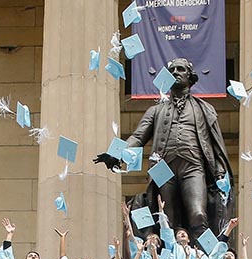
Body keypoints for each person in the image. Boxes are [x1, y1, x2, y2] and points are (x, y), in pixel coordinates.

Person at [98, 56, 235, 238]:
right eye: (172, 71)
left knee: (198, 214)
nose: (176, 73)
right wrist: (115, 154)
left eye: (180, 70)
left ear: (190, 77)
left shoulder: (205, 109)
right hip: (163, 167)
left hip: (193, 166)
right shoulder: (155, 110)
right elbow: (138, 137)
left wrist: (219, 172)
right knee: (167, 218)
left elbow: (216, 145)